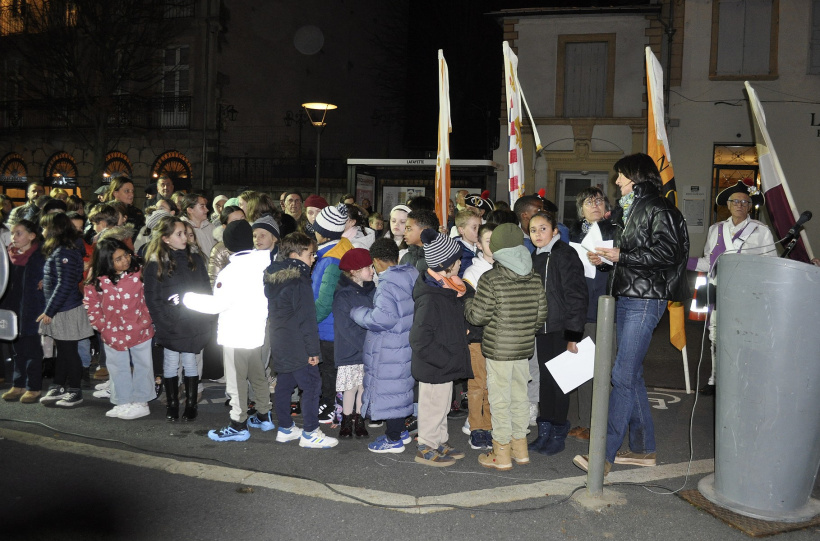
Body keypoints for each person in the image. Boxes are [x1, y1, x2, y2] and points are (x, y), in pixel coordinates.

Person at [573, 153, 689, 475]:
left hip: (645, 299)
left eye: (621, 176)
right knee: (631, 374)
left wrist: (621, 254)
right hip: (629, 296)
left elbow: (669, 253)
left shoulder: (658, 207)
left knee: (621, 375)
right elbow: (636, 257)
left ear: (636, 176)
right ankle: (642, 449)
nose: (617, 181)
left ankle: (603, 455)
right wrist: (608, 260)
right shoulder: (632, 209)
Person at [465, 223, 547, 469]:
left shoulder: (491, 278)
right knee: (520, 397)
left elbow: (478, 317)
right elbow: (541, 315)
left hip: (498, 350)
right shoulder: (533, 275)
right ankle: (520, 449)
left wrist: (468, 304)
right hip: (523, 348)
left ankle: (501, 453)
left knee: (499, 400)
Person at [183, 220, 275, 442]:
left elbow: (217, 305)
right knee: (257, 375)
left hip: (235, 332)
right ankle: (264, 415)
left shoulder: (231, 271)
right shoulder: (264, 263)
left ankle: (238, 423)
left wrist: (186, 299)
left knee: (235, 381)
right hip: (256, 330)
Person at [687, 180, 775, 395]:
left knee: (744, 336)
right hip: (719, 289)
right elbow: (709, 262)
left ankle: (741, 379)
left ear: (750, 206)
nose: (739, 205)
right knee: (715, 335)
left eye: (744, 202)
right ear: (728, 204)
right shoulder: (715, 229)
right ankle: (715, 380)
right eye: (735, 201)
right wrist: (683, 262)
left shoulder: (761, 231)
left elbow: (770, 263)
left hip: (747, 293)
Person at [266, 232, 339, 449]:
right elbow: (307, 319)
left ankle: (286, 429)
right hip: (298, 343)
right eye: (310, 253)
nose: (314, 257)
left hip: (280, 340)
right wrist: (313, 351)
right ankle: (310, 432)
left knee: (285, 384)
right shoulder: (299, 279)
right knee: (312, 385)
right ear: (295, 254)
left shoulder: (274, 276)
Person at [410, 229, 472, 467]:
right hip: (434, 365)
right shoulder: (432, 297)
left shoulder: (446, 287)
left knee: (443, 405)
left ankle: (439, 440)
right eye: (457, 261)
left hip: (444, 362)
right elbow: (419, 339)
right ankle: (426, 445)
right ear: (447, 265)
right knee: (432, 407)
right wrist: (445, 359)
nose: (460, 264)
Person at [527, 211, 588, 456]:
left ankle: (558, 432)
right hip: (542, 329)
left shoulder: (565, 254)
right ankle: (545, 430)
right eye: (533, 230)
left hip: (561, 329)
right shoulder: (535, 255)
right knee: (545, 381)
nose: (538, 234)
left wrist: (573, 335)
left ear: (555, 231)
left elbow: (576, 295)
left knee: (560, 383)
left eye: (543, 229)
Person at [143, 216, 214, 422]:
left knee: (191, 362)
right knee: (171, 363)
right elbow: (153, 298)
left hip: (193, 321)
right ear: (166, 238)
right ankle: (172, 404)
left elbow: (205, 289)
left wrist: (205, 317)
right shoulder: (156, 263)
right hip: (171, 323)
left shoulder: (195, 257)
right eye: (179, 234)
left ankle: (191, 405)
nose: (185, 238)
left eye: (186, 233)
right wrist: (165, 321)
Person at [351, 238, 418, 453]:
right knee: (399, 388)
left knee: (390, 391)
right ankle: (401, 432)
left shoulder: (388, 284)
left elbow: (382, 319)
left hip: (389, 347)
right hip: (404, 343)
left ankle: (393, 438)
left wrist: (358, 312)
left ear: (377, 261)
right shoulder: (410, 276)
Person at [84, 238, 155, 420]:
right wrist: (101, 325)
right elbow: (91, 303)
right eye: (118, 259)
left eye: (126, 255)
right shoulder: (97, 278)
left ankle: (141, 401)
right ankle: (122, 400)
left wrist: (145, 319)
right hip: (112, 331)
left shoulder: (138, 272)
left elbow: (150, 296)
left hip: (140, 329)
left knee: (143, 365)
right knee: (116, 366)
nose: (125, 261)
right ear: (106, 262)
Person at [566, 187, 616, 441]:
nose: (595, 205)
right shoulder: (571, 233)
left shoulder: (617, 229)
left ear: (607, 206)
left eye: (599, 200)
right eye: (589, 201)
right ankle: (584, 420)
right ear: (581, 208)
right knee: (583, 368)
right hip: (581, 308)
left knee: (605, 370)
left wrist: (607, 262)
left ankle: (602, 423)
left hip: (607, 307)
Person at [37, 213, 94, 408]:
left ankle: (75, 391)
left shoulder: (65, 251)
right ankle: (58, 385)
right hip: (62, 307)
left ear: (55, 229)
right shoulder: (62, 249)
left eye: (45, 227)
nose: (42, 231)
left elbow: (66, 284)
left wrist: (50, 311)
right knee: (63, 349)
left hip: (65, 308)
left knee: (69, 351)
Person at [311, 203, 353, 424]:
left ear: (323, 233)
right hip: (334, 326)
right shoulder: (340, 248)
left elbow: (325, 301)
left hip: (328, 327)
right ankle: (330, 403)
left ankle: (328, 406)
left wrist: (308, 322)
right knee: (329, 369)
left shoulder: (332, 260)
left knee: (328, 369)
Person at [332, 248, 376, 438]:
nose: (372, 270)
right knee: (349, 387)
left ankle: (359, 419)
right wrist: (367, 346)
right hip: (350, 350)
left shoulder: (372, 290)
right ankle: (346, 420)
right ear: (354, 271)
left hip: (368, 349)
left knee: (363, 387)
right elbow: (345, 328)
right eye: (368, 267)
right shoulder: (343, 295)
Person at [0, 220, 45, 403]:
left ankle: (33, 387)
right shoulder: (7, 256)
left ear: (32, 236)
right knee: (16, 348)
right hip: (12, 308)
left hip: (32, 307)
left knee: (33, 349)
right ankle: (17, 384)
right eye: (12, 233)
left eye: (19, 233)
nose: (13, 237)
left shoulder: (39, 255)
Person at [461, 222, 497, 449]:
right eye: (487, 241)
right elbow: (469, 309)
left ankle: (490, 425)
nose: (492, 245)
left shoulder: (508, 269)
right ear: (479, 244)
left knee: (494, 387)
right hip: (477, 338)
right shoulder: (472, 272)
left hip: (500, 340)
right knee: (476, 386)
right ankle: (476, 428)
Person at [207, 205, 245, 286]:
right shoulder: (220, 249)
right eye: (235, 221)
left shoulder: (255, 242)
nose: (241, 224)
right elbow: (214, 281)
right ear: (225, 226)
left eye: (243, 219)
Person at [180, 193, 216, 264]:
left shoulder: (211, 227)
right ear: (190, 210)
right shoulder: (181, 230)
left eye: (205, 206)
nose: (207, 210)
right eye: (202, 206)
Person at [453, 208, 481, 277]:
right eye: (474, 228)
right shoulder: (458, 254)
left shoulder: (482, 246)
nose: (479, 231)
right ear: (461, 230)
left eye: (480, 227)